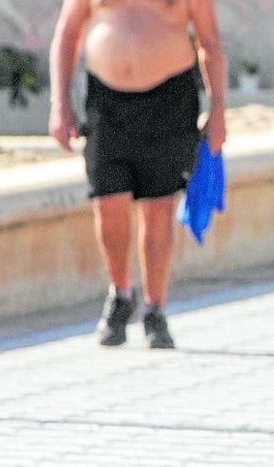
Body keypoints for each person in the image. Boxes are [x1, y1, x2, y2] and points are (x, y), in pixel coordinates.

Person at [49, 0, 228, 349]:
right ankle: (120, 295)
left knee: (158, 206)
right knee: (107, 200)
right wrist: (60, 104)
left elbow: (210, 41)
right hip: (105, 99)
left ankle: (155, 309)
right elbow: (68, 34)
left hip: (170, 98)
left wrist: (218, 109)